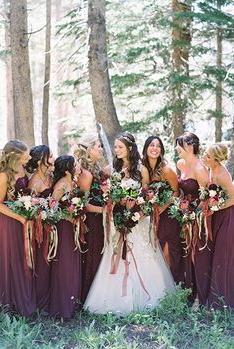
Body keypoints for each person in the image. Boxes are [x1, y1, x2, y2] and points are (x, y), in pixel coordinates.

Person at [84, 132, 174, 315]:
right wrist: (115, 204)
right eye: (115, 147)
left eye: (120, 147)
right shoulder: (110, 170)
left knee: (142, 255)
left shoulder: (141, 170)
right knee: (116, 255)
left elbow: (147, 196)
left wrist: (138, 210)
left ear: (130, 148)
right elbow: (103, 194)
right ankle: (114, 300)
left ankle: (147, 298)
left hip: (138, 220)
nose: (116, 150)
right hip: (117, 222)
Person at [0, 139, 36, 316]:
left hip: (21, 218)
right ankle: (7, 303)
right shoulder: (4, 175)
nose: (29, 156)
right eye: (26, 154)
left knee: (21, 258)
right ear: (16, 156)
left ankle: (21, 300)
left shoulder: (22, 168)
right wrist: (20, 217)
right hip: (7, 221)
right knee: (9, 259)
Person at [176, 132, 212, 305]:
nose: (177, 148)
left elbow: (207, 197)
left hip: (199, 218)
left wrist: (193, 214)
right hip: (184, 216)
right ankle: (189, 293)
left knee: (198, 255)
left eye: (180, 145)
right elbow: (182, 190)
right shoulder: (181, 164)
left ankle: (201, 297)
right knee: (187, 253)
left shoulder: (200, 169)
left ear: (190, 147)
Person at [142, 136, 184, 283]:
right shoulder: (142, 169)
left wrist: (162, 207)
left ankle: (175, 286)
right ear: (146, 148)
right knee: (154, 252)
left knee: (170, 253)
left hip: (168, 217)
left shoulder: (167, 170)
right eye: (151, 145)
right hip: (150, 217)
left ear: (161, 150)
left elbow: (176, 193)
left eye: (158, 146)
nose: (155, 148)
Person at [49, 155, 81, 318]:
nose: (77, 166)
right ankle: (61, 306)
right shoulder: (61, 185)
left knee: (73, 261)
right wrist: (68, 216)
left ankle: (73, 301)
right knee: (64, 263)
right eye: (74, 165)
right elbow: (52, 209)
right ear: (68, 169)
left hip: (73, 227)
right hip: (63, 229)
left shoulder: (73, 183)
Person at [202, 143, 234, 309]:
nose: (204, 157)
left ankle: (224, 301)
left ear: (216, 159)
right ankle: (215, 297)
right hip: (217, 216)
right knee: (215, 255)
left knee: (223, 256)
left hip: (227, 218)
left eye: (208, 155)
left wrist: (215, 208)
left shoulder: (222, 174)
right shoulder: (211, 169)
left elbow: (233, 198)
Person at [74, 134, 105, 303]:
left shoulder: (97, 168)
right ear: (89, 150)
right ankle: (87, 296)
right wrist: (104, 211)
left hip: (98, 218)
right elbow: (82, 203)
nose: (100, 149)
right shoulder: (84, 172)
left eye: (101, 146)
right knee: (92, 252)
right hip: (90, 220)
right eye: (98, 146)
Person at [26, 145, 54, 312]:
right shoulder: (34, 181)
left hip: (52, 225)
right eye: (49, 156)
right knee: (42, 262)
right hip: (40, 228)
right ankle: (39, 302)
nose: (53, 158)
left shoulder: (49, 176)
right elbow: (30, 207)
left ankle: (49, 299)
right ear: (40, 161)